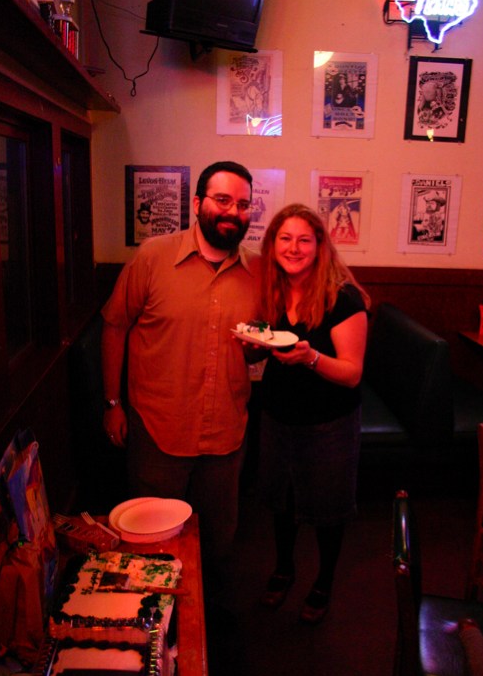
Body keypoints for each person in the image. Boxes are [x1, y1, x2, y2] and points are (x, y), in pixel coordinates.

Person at [101, 161, 260, 579]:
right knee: (150, 544)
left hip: (225, 435)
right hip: (158, 430)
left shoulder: (258, 272)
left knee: (218, 543)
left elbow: (258, 351)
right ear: (197, 203)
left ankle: (205, 629)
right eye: (222, 199)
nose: (233, 211)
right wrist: (113, 402)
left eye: (243, 204)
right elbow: (115, 325)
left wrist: (260, 352)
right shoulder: (154, 256)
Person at [256, 203, 370, 624]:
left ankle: (323, 580)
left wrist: (311, 358)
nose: (294, 247)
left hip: (329, 423)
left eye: (304, 239)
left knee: (327, 509)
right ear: (272, 245)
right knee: (281, 502)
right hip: (277, 416)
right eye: (285, 238)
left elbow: (352, 373)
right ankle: (284, 568)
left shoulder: (343, 297)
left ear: (320, 245)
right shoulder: (273, 288)